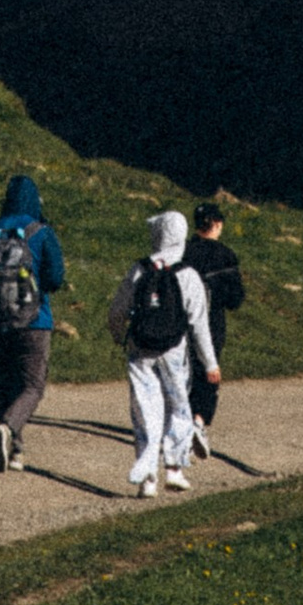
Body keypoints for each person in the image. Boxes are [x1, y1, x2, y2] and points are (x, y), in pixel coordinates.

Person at [106, 208, 217, 498]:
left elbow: (117, 311)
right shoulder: (188, 275)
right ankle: (174, 469)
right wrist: (210, 363)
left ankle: (148, 478)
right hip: (174, 350)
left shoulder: (140, 269)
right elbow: (199, 325)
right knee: (178, 405)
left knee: (145, 409)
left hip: (140, 349)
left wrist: (119, 336)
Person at [0, 170, 67, 471]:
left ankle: (15, 450)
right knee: (32, 386)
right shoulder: (41, 232)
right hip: (35, 320)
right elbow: (56, 277)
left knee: (4, 384)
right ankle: (8, 429)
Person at [184, 200, 244, 458]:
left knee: (184, 371)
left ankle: (182, 421)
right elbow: (236, 299)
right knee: (209, 371)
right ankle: (199, 420)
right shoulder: (225, 256)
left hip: (182, 322)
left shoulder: (184, 252)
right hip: (212, 321)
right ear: (217, 224)